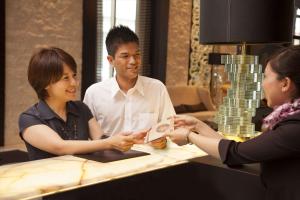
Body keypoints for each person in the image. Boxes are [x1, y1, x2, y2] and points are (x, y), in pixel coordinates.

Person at [166, 45, 300, 200]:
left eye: (265, 77)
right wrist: (198, 125)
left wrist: (189, 136)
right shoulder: (290, 120)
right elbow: (234, 148)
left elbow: (235, 153)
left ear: (285, 83)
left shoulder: (293, 128)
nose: (262, 84)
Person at [19, 47, 145, 161]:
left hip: (84, 180)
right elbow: (59, 147)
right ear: (45, 83)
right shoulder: (29, 118)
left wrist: (127, 138)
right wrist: (110, 142)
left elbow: (100, 139)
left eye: (74, 76)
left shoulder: (80, 108)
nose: (74, 83)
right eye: (66, 78)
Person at [84, 25, 175, 149]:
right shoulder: (94, 93)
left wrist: (163, 140)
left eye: (137, 55)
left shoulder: (157, 88)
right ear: (111, 60)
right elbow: (87, 139)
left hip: (151, 161)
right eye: (125, 56)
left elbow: (171, 129)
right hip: (109, 162)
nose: (133, 61)